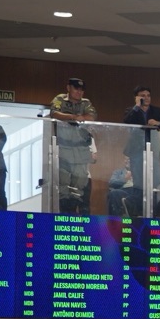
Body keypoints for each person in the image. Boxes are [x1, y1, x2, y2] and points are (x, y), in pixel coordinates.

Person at [49, 77, 97, 215]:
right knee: (63, 182)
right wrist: (73, 117)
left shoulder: (86, 102)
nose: (79, 92)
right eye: (76, 88)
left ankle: (73, 212)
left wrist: (78, 117)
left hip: (81, 149)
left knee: (79, 182)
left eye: (81, 90)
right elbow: (54, 113)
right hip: (64, 147)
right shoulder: (60, 99)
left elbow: (92, 116)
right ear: (68, 88)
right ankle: (65, 214)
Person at [120, 87, 160, 185]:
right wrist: (137, 106)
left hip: (153, 149)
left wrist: (157, 123)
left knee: (156, 179)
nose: (146, 98)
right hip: (136, 150)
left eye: (148, 96)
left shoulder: (157, 110)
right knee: (138, 180)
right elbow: (126, 122)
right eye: (143, 96)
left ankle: (153, 194)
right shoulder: (131, 110)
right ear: (136, 98)